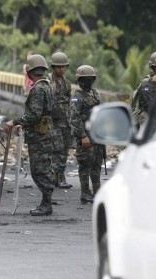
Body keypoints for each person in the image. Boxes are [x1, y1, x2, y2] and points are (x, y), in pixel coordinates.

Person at [5, 54, 55, 216]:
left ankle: (47, 203)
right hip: (44, 132)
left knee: (39, 170)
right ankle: (46, 201)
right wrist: (23, 123)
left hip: (40, 136)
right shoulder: (47, 85)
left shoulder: (39, 89)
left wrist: (14, 121)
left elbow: (34, 114)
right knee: (43, 168)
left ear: (29, 71)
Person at [69, 65, 102, 204]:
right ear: (79, 80)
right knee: (85, 167)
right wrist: (82, 136)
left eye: (90, 79)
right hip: (85, 137)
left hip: (97, 136)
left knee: (96, 167)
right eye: (85, 79)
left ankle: (97, 193)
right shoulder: (77, 97)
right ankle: (85, 193)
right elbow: (74, 118)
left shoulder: (95, 94)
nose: (87, 82)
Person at [47, 52, 73, 189]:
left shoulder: (67, 84)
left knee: (64, 151)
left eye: (63, 67)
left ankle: (60, 177)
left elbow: (69, 102)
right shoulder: (48, 82)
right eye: (58, 67)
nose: (61, 69)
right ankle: (53, 177)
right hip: (53, 122)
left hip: (65, 122)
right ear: (53, 67)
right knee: (55, 151)